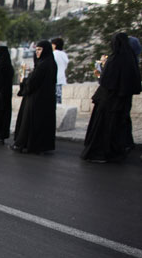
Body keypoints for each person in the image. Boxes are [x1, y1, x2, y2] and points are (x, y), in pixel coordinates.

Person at [81, 33, 141, 163]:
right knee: (119, 126)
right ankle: (119, 150)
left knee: (104, 128)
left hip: (108, 101)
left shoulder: (114, 60)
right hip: (122, 101)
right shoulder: (131, 60)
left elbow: (106, 81)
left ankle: (101, 153)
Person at [11, 40, 57, 154]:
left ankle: (22, 144)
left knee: (29, 122)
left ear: (45, 50)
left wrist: (24, 80)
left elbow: (33, 82)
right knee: (42, 123)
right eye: (36, 50)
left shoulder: (43, 65)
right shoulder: (51, 63)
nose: (37, 52)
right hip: (47, 99)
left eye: (39, 50)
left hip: (36, 99)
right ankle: (40, 146)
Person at [51, 38, 69, 104]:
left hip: (55, 79)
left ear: (55, 45)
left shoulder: (54, 54)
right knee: (60, 98)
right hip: (62, 79)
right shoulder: (64, 54)